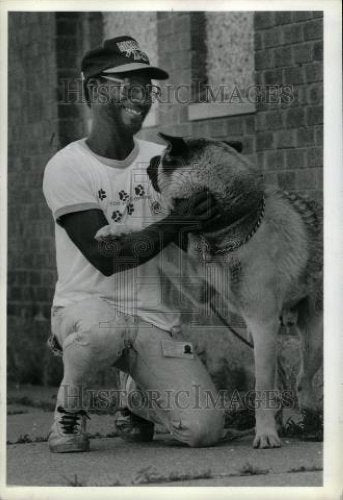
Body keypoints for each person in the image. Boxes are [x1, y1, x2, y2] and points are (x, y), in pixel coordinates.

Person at [43, 36, 225, 453]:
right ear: (93, 91)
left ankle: (138, 401)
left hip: (151, 319)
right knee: (97, 331)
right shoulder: (67, 166)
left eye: (146, 88)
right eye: (126, 86)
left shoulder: (162, 160)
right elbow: (107, 257)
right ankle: (68, 414)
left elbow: (192, 233)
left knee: (204, 430)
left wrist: (209, 209)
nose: (139, 97)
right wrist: (177, 219)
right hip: (86, 311)